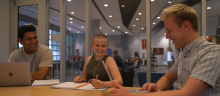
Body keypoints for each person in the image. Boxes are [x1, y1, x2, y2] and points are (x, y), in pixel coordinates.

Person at [110, 4, 220, 96]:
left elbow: (187, 93)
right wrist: (158, 86)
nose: (167, 36)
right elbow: (167, 78)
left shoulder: (212, 53)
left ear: (186, 26)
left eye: (169, 30)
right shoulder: (184, 54)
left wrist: (132, 95)